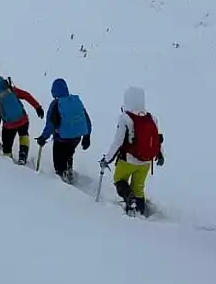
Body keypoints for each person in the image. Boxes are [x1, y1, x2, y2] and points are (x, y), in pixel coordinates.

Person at [99, 87, 164, 216]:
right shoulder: (152, 118)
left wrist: (107, 159)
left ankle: (130, 200)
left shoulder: (125, 118)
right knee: (138, 187)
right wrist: (160, 155)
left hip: (128, 160)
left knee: (119, 179)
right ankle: (140, 211)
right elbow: (157, 139)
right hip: (146, 161)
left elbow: (118, 142)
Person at [0, 75, 42, 165]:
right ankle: (23, 155)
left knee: (7, 144)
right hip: (23, 119)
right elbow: (26, 95)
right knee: (23, 135)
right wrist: (37, 107)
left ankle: (8, 161)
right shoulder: (11, 90)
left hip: (9, 125)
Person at [36, 78, 90, 183]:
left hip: (62, 138)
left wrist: (43, 137)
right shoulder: (76, 101)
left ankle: (61, 177)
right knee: (69, 153)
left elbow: (50, 125)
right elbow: (86, 119)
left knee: (58, 159)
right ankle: (68, 170)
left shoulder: (56, 104)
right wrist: (87, 137)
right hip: (77, 137)